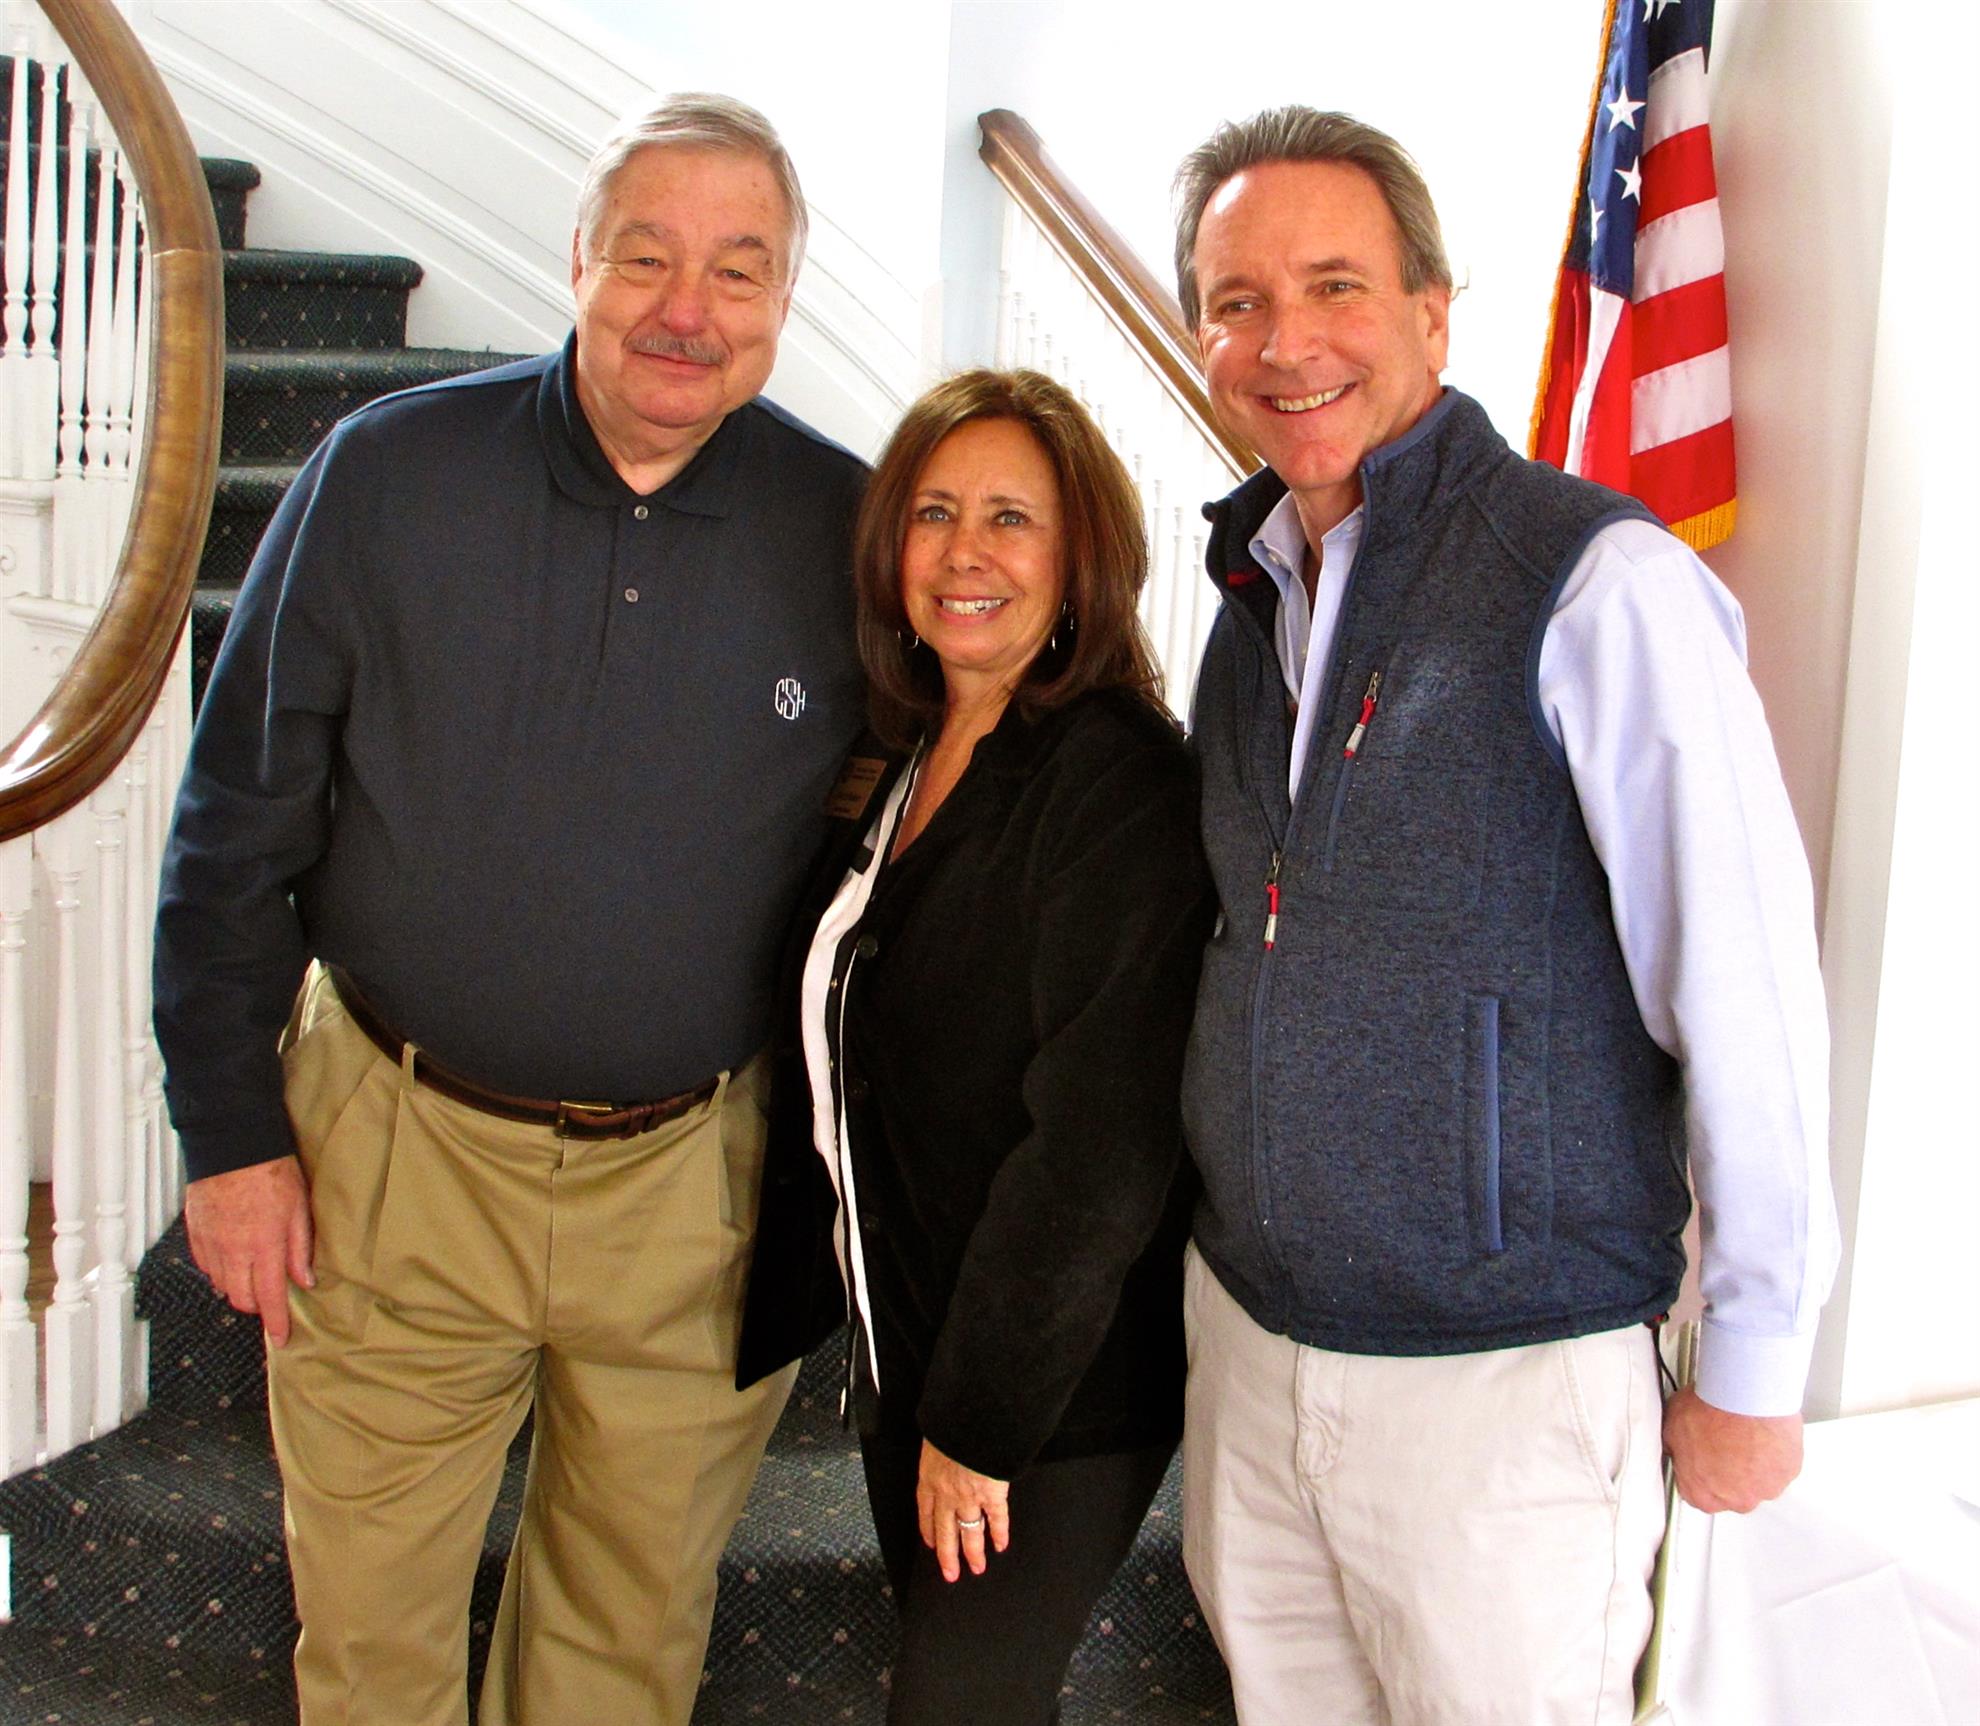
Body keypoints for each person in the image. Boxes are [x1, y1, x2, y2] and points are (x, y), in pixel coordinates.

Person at [152, 95, 867, 1726]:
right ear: (577, 261)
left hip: (693, 1186)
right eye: (646, 256)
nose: (688, 309)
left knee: (625, 1651)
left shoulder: (848, 528)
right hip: (391, 1162)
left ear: (785, 295)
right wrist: (228, 1132)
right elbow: (233, 824)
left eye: (739, 269)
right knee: (371, 1645)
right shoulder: (384, 476)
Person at [1169, 108, 1838, 1723]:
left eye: (1335, 286)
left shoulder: (1593, 580)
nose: (1287, 342)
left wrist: (1755, 1358)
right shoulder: (1249, 597)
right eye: (1240, 301)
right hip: (1254, 1352)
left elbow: (1744, 981)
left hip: (1505, 1395)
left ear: (1432, 311)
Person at [746, 368, 1215, 1725]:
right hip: (911, 1348)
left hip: (1045, 1395)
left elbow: (1098, 1152)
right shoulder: (905, 751)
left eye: (1012, 518)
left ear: (1080, 560)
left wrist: (977, 1424)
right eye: (934, 513)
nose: (966, 552)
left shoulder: (1115, 776)